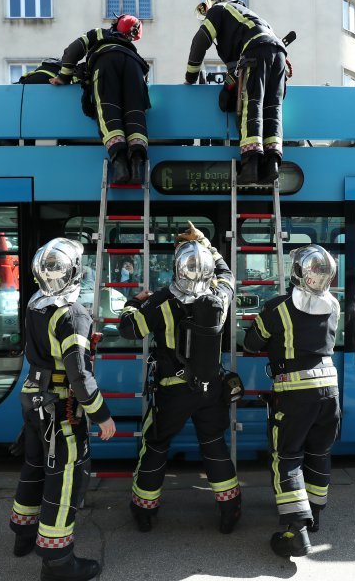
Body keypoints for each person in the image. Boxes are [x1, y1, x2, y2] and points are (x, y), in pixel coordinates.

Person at [119, 222, 242, 534]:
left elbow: (128, 329)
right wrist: (207, 245)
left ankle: (144, 511)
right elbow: (227, 274)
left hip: (172, 392)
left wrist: (133, 303)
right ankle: (230, 511)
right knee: (214, 445)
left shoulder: (160, 301)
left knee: (156, 445)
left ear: (176, 268)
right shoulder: (219, 297)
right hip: (211, 389)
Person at [10, 238, 116, 581]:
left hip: (32, 400)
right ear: (76, 273)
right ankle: (58, 563)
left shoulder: (34, 304)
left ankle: (23, 534)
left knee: (34, 466)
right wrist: (102, 416)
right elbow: (80, 376)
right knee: (64, 479)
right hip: (60, 409)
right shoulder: (73, 315)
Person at [243, 244, 341, 557]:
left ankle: (294, 530)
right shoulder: (334, 305)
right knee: (319, 451)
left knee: (286, 456)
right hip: (331, 393)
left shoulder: (276, 308)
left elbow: (250, 342)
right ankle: (314, 514)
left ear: (298, 271)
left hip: (295, 393)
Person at [185, 0, 287, 187]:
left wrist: (190, 76)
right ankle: (271, 165)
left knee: (252, 104)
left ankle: (250, 166)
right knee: (272, 109)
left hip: (256, 52)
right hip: (279, 55)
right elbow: (236, 68)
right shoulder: (250, 17)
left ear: (212, 0)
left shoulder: (220, 9)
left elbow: (200, 41)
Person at [50, 14, 151, 184]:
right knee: (135, 113)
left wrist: (63, 77)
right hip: (136, 69)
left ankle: (120, 167)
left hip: (106, 62)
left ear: (116, 24)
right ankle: (136, 166)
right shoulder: (132, 50)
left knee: (108, 110)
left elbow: (73, 50)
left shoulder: (99, 34)